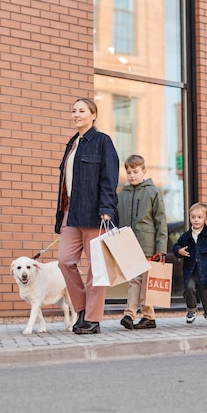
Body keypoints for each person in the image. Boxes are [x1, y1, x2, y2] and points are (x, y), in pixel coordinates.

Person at [55, 98, 119, 334]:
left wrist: (106, 209)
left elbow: (109, 178)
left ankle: (92, 318)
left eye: (81, 111)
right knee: (65, 261)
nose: (76, 114)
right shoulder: (72, 144)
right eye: (73, 111)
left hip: (95, 212)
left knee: (96, 268)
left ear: (93, 115)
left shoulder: (102, 141)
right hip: (71, 212)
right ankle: (82, 308)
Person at [117, 154, 168, 330]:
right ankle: (137, 315)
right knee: (135, 280)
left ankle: (139, 315)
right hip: (128, 243)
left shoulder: (153, 192)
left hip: (147, 243)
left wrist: (161, 248)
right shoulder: (122, 194)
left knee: (145, 281)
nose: (132, 175)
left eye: (135, 171)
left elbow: (161, 221)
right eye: (129, 172)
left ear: (144, 171)